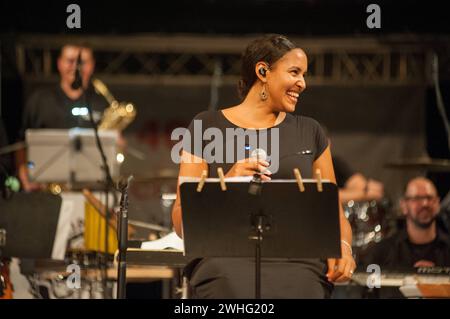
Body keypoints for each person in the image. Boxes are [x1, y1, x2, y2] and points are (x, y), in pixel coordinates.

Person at [171, 34, 356, 298]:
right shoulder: (204, 127)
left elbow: (334, 215)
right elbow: (180, 221)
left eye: (304, 74)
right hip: (226, 259)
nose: (302, 83)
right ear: (262, 71)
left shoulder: (311, 131)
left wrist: (344, 247)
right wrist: (227, 184)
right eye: (294, 72)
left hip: (298, 260)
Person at [15, 44, 108, 192]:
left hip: (91, 190)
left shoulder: (102, 103)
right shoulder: (40, 100)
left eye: (81, 62)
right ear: (59, 63)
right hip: (44, 190)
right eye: (70, 61)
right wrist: (23, 168)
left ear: (91, 65)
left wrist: (118, 144)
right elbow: (21, 142)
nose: (75, 67)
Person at [360, 177, 450, 269]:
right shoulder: (381, 253)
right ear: (404, 206)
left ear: (438, 203)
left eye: (429, 198)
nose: (425, 203)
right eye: (417, 198)